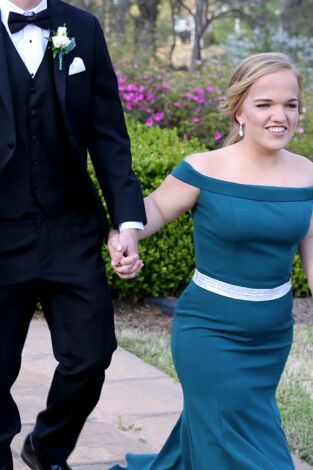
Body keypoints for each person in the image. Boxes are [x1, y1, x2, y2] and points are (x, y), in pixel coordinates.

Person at [108, 52, 313, 469]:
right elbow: (154, 212)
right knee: (238, 443)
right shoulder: (203, 169)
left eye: (290, 105)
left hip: (271, 335)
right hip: (210, 330)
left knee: (220, 431)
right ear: (239, 109)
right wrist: (123, 234)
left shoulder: (308, 175)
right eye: (265, 104)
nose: (280, 116)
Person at [0, 0, 146, 468]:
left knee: (92, 353)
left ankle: (47, 447)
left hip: (70, 226)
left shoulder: (82, 26)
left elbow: (108, 133)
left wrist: (126, 222)